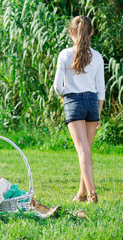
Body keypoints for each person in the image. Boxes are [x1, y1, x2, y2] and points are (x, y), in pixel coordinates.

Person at [54, 16, 105, 204]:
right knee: (87, 150)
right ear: (91, 32)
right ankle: (81, 194)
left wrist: (67, 93)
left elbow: (57, 87)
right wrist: (98, 112)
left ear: (71, 33)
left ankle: (92, 194)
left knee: (83, 150)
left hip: (74, 102)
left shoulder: (65, 54)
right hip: (92, 103)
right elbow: (101, 89)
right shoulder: (97, 56)